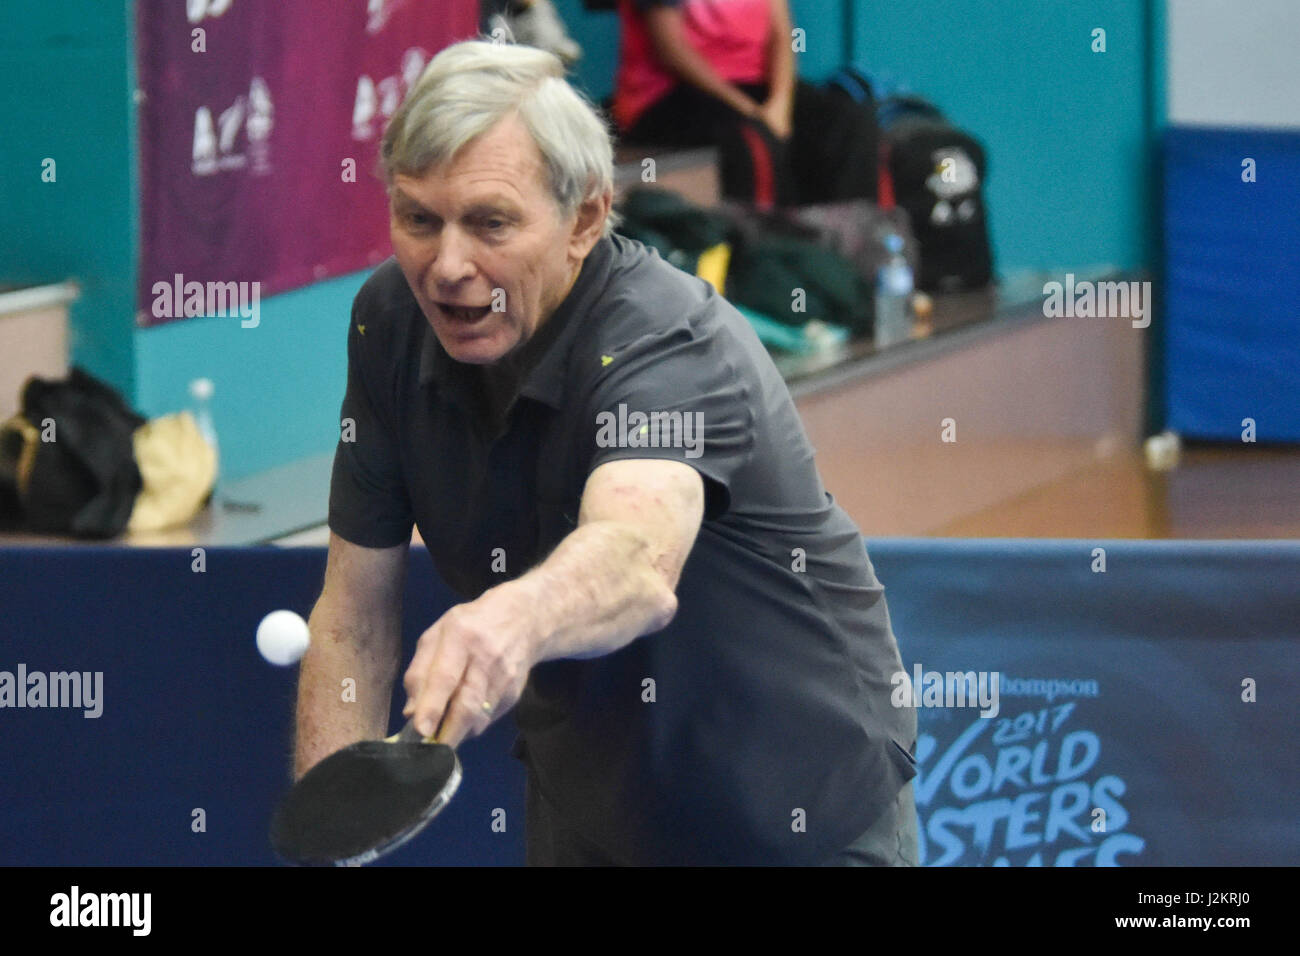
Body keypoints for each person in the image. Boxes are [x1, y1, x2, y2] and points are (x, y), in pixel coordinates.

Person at [294, 38, 918, 866]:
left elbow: (633, 559)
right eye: (418, 219)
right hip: (593, 811)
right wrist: (335, 834)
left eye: (489, 223)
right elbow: (354, 615)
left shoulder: (666, 339)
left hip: (798, 811)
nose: (446, 267)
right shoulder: (388, 324)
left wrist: (510, 618)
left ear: (585, 217)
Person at [612, 0, 879, 208]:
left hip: (757, 90)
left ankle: (841, 252)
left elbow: (783, 36)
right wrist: (752, 113)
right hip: (669, 95)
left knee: (849, 123)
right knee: (753, 139)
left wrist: (780, 106)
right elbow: (670, 50)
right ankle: (767, 255)